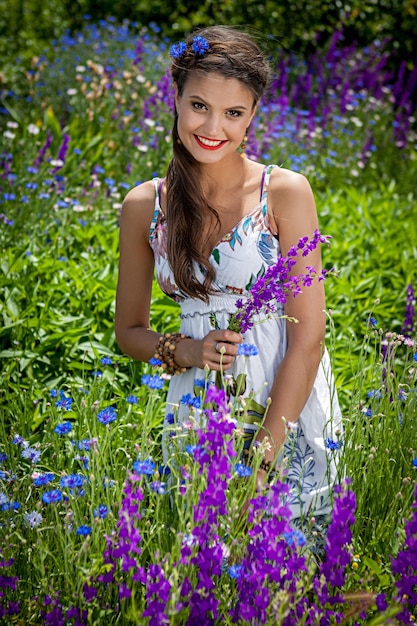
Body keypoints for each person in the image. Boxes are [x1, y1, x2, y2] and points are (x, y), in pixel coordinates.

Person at [115, 25, 342, 536]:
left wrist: (259, 466)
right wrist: (190, 351)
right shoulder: (143, 205)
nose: (213, 126)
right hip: (197, 407)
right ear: (173, 99)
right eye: (199, 106)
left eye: (233, 113)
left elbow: (307, 341)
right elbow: (128, 330)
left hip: (285, 406)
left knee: (288, 578)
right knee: (204, 575)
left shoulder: (283, 192)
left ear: (252, 116)